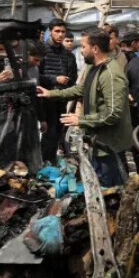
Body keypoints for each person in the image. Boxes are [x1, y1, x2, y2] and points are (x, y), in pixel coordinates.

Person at [37, 28, 133, 187]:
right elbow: (81, 89)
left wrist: (81, 120)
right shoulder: (93, 67)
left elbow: (112, 113)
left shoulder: (111, 74)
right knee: (96, 186)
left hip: (110, 147)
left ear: (95, 49)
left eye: (83, 47)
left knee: (112, 190)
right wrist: (51, 93)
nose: (81, 51)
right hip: (98, 143)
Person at [39, 19, 80, 164]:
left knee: (58, 132)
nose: (60, 34)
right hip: (45, 99)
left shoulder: (68, 55)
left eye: (63, 32)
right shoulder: (41, 51)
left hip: (61, 99)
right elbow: (35, 76)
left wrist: (69, 86)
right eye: (57, 31)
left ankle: (51, 162)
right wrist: (55, 79)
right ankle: (44, 163)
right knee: (48, 133)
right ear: (50, 32)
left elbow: (73, 77)